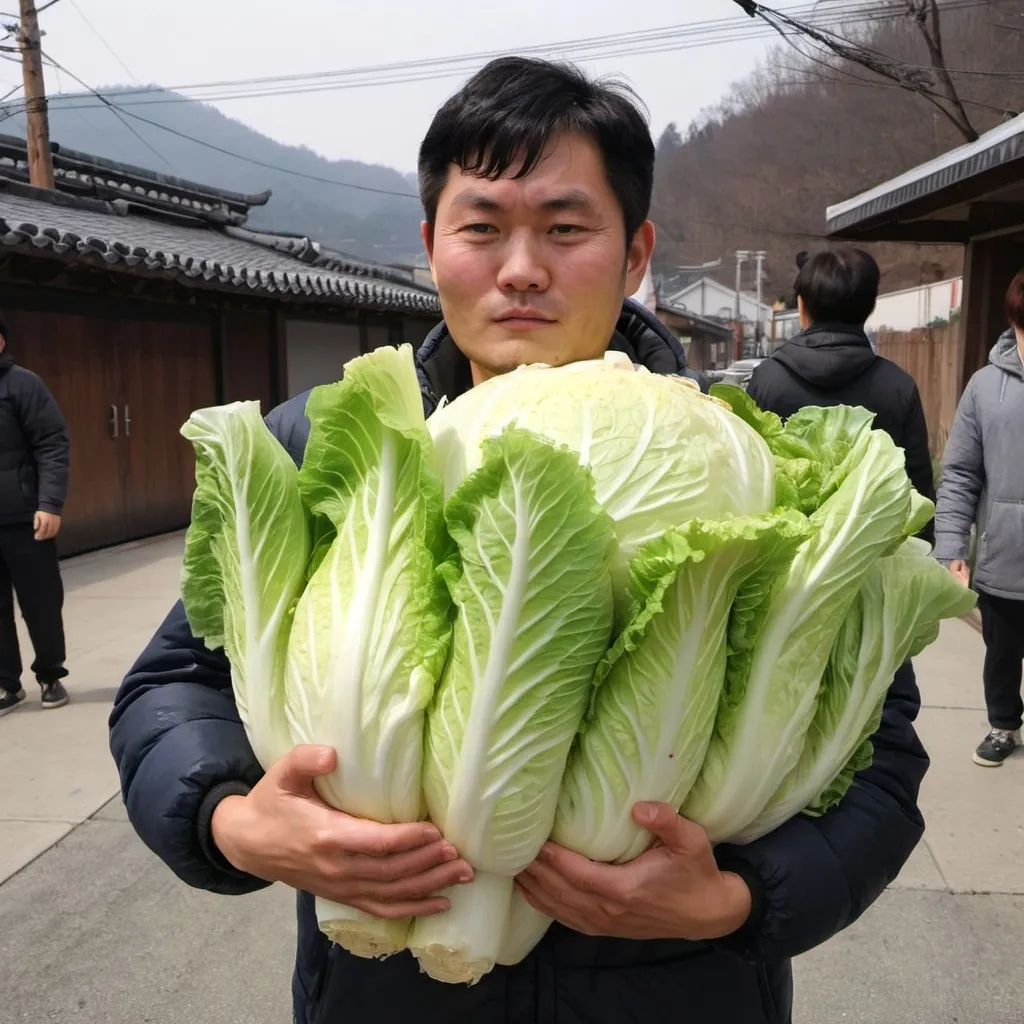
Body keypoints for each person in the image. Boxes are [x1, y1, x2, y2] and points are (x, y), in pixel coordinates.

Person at [109, 58, 928, 1024]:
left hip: (677, 989)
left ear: (636, 254)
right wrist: (230, 819)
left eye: (566, 228)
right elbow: (173, 686)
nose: (521, 267)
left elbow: (878, 749)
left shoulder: (742, 460)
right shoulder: (337, 438)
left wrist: (740, 899)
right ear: (431, 244)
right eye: (483, 227)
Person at [747, 248, 936, 543]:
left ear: (801, 305)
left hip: (781, 565)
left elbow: (748, 478)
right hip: (873, 561)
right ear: (870, 306)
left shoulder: (767, 380)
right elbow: (918, 490)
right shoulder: (898, 387)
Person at [934, 268, 1024, 768]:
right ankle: (1003, 725)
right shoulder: (985, 387)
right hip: (1003, 553)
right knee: (1001, 654)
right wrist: (951, 547)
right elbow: (961, 473)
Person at [0, 313, 70, 717]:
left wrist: (50, 503)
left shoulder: (23, 385)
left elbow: (52, 444)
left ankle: (50, 675)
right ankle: (6, 683)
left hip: (27, 517)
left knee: (40, 601)